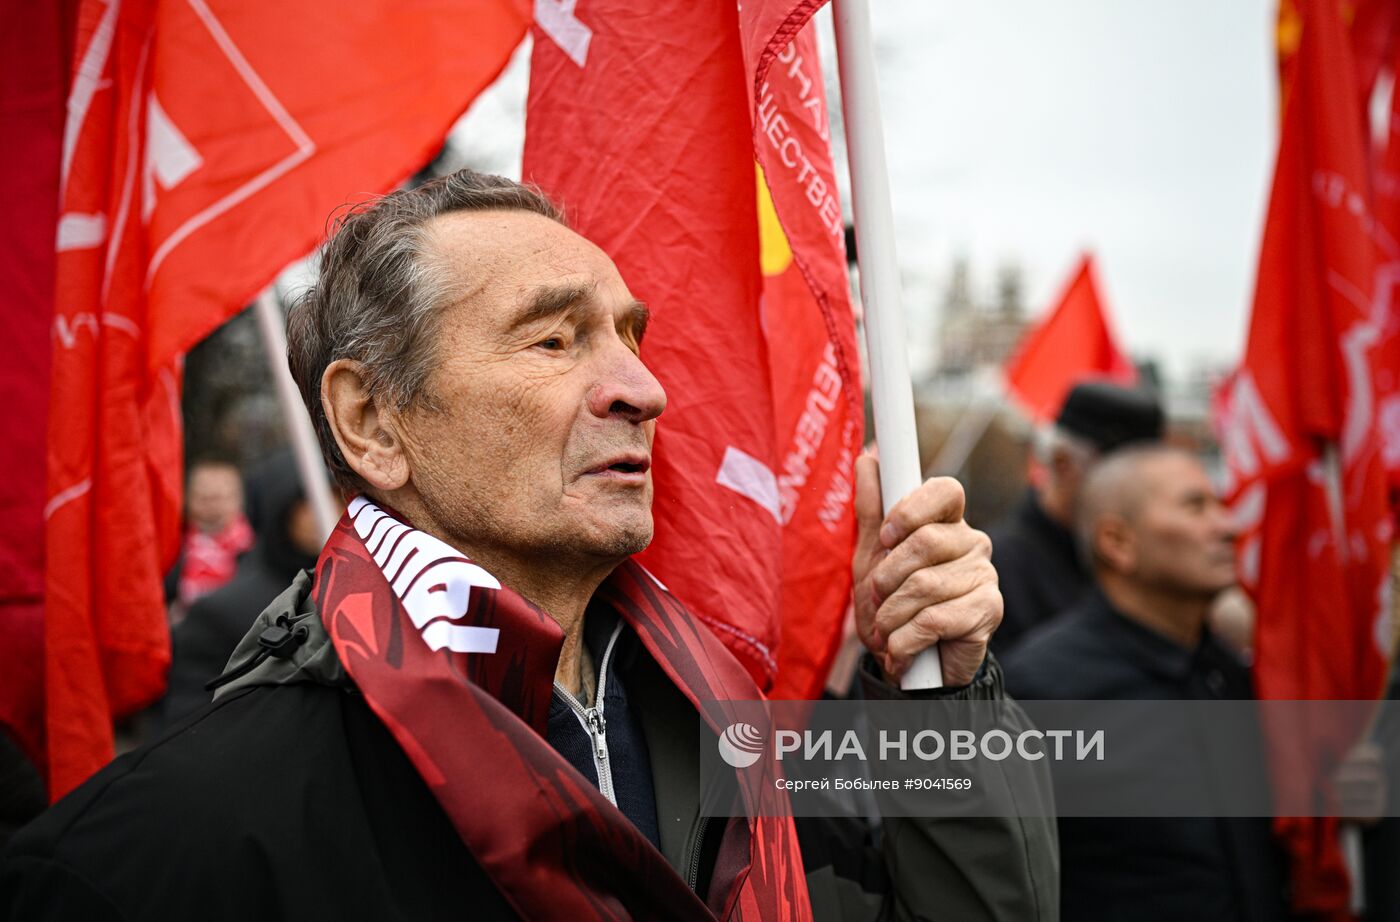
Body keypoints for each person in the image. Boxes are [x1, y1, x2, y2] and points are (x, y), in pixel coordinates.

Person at [2, 170, 1055, 920]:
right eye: (553, 339)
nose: (644, 389)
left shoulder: (740, 739)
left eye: (630, 337)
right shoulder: (163, 852)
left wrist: (938, 692)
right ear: (373, 421)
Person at [1003, 444, 1288, 921]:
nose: (1228, 527)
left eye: (1218, 505)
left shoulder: (1230, 674)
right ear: (1117, 542)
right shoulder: (1040, 691)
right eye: (1195, 506)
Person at [988, 380, 1164, 654]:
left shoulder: (1146, 560)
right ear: (1063, 463)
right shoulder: (997, 571)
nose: (1141, 494)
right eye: (1122, 476)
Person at [161, 450, 328, 726]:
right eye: (204, 496)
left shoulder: (359, 582)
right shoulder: (172, 558)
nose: (324, 510)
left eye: (221, 495)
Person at [165, 458, 254, 615]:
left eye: (219, 497)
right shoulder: (172, 548)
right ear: (188, 499)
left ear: (238, 500)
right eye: (204, 498)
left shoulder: (254, 550)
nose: (212, 507)